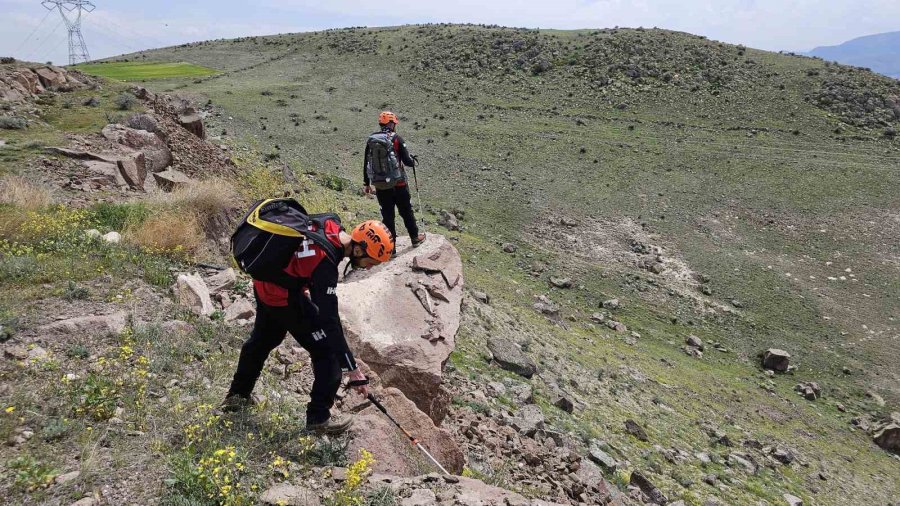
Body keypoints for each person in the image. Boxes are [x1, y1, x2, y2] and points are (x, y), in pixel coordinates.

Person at [222, 219, 394, 434]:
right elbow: (330, 321)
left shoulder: (330, 223)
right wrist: (352, 369)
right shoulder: (326, 265)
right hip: (282, 296)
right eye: (372, 261)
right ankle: (318, 419)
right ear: (359, 250)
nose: (369, 267)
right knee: (328, 353)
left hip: (265, 282)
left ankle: (236, 398)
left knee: (264, 340)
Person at [363, 111, 426, 248]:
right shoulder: (396, 138)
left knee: (388, 217)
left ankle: (391, 249)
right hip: (399, 183)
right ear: (391, 123)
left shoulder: (372, 139)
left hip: (380, 185)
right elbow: (407, 161)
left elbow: (366, 162)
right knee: (406, 211)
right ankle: (415, 238)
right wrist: (413, 161)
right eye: (394, 123)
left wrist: (366, 183)